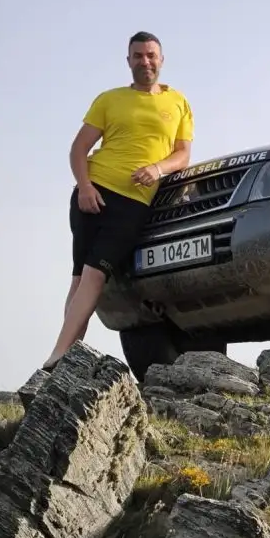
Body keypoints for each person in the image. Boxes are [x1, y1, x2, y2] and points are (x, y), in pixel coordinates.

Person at [41, 33, 194, 369]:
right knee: (80, 278)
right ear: (128, 61)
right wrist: (84, 187)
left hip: (133, 202)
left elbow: (182, 154)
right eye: (137, 56)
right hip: (93, 191)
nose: (145, 61)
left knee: (95, 276)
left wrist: (157, 168)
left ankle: (59, 355)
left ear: (161, 59)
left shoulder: (178, 102)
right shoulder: (109, 99)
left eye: (151, 55)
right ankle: (62, 357)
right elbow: (78, 149)